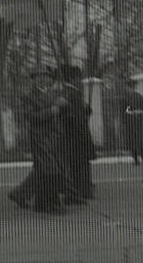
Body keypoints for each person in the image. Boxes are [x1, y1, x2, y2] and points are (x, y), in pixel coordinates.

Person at [22, 68, 67, 213]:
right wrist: (51, 111)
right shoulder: (29, 96)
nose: (42, 79)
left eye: (45, 76)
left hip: (53, 137)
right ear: (33, 80)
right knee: (49, 170)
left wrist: (63, 105)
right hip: (39, 138)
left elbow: (59, 111)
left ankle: (41, 204)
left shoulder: (50, 94)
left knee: (45, 171)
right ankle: (52, 203)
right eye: (38, 77)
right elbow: (30, 116)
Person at [60, 65, 95, 202]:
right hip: (76, 136)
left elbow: (77, 114)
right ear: (73, 78)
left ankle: (80, 192)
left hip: (74, 136)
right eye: (78, 78)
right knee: (79, 165)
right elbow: (73, 116)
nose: (80, 81)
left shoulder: (70, 92)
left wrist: (86, 111)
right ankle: (79, 193)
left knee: (78, 165)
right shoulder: (71, 93)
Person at [120, 78, 143, 166]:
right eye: (130, 86)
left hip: (133, 123)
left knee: (136, 141)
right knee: (137, 141)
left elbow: (125, 111)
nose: (130, 88)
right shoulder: (137, 97)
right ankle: (140, 159)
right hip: (136, 123)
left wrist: (125, 120)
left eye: (130, 86)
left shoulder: (128, 98)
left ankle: (139, 159)